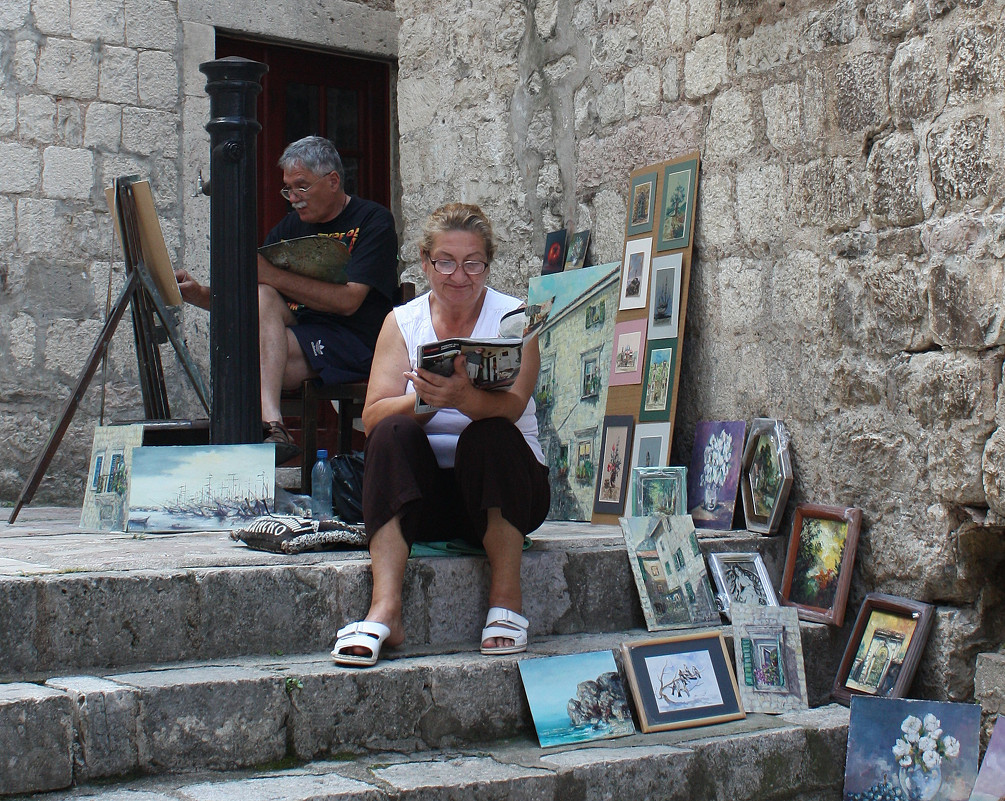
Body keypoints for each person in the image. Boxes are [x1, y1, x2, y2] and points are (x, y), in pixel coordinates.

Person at [330, 202, 550, 667]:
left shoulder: (515, 320)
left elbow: (512, 405)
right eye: (446, 262)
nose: (459, 275)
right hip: (424, 498)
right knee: (391, 431)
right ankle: (385, 607)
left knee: (489, 432)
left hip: (505, 490)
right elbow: (371, 417)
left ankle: (507, 599)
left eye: (473, 264)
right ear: (426, 262)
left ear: (487, 265)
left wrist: (465, 399)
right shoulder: (403, 322)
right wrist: (428, 399)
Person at [175, 136, 399, 462]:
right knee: (261, 302)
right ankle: (272, 425)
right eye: (288, 189)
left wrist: (270, 274)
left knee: (248, 351)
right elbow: (255, 298)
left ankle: (243, 440)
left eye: (301, 187)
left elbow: (349, 302)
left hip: (355, 339)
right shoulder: (289, 227)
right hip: (295, 337)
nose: (293, 198)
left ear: (333, 181)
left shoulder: (372, 221)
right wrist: (199, 295)